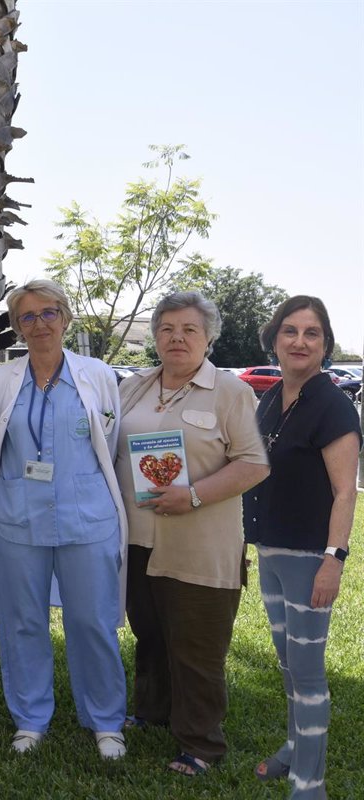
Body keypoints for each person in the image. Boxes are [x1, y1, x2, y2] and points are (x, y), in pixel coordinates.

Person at [114, 291, 269, 777]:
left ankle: (200, 743)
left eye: (189, 330)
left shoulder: (230, 391)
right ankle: (153, 712)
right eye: (167, 329)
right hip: (137, 539)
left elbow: (254, 463)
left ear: (208, 338)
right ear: (155, 337)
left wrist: (194, 494)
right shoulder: (134, 386)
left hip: (200, 543)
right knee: (151, 634)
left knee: (197, 646)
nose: (177, 338)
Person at [0, 278, 128, 759]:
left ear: (65, 317)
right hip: (16, 518)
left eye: (48, 313)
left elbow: (112, 441)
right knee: (22, 622)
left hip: (87, 518)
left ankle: (106, 721)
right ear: (17, 326)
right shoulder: (2, 379)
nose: (38, 324)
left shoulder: (98, 374)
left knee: (93, 621)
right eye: (27, 316)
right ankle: (30, 718)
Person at [244, 296, 359, 799]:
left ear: (325, 345)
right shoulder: (271, 399)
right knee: (288, 663)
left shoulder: (331, 405)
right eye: (290, 331)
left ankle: (310, 785)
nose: (299, 341)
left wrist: (333, 562)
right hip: (271, 551)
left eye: (312, 333)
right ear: (274, 339)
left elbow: (344, 492)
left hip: (312, 558)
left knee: (308, 675)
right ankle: (294, 748)